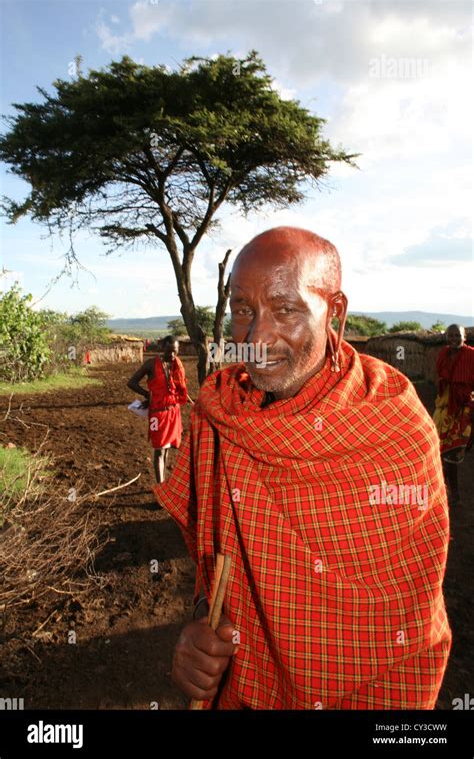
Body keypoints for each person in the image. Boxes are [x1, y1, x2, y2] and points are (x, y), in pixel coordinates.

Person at [154, 227, 451, 710]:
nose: (256, 337)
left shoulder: (394, 424)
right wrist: (201, 627)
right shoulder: (220, 411)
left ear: (335, 312)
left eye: (285, 309)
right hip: (245, 693)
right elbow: (216, 559)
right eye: (243, 310)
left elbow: (408, 602)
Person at [127, 335, 192, 483]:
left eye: (175, 351)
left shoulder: (177, 365)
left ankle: (162, 483)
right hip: (159, 413)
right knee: (159, 450)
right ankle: (161, 488)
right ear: (163, 348)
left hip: (173, 412)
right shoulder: (151, 364)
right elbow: (132, 382)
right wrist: (147, 395)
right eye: (169, 351)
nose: (172, 355)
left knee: (167, 447)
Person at [433, 324, 474, 507]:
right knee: (439, 451)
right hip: (443, 407)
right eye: (450, 335)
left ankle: (455, 493)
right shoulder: (443, 353)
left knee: (453, 453)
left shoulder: (471, 355)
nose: (454, 339)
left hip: (462, 407)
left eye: (457, 335)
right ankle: (446, 490)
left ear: (464, 336)